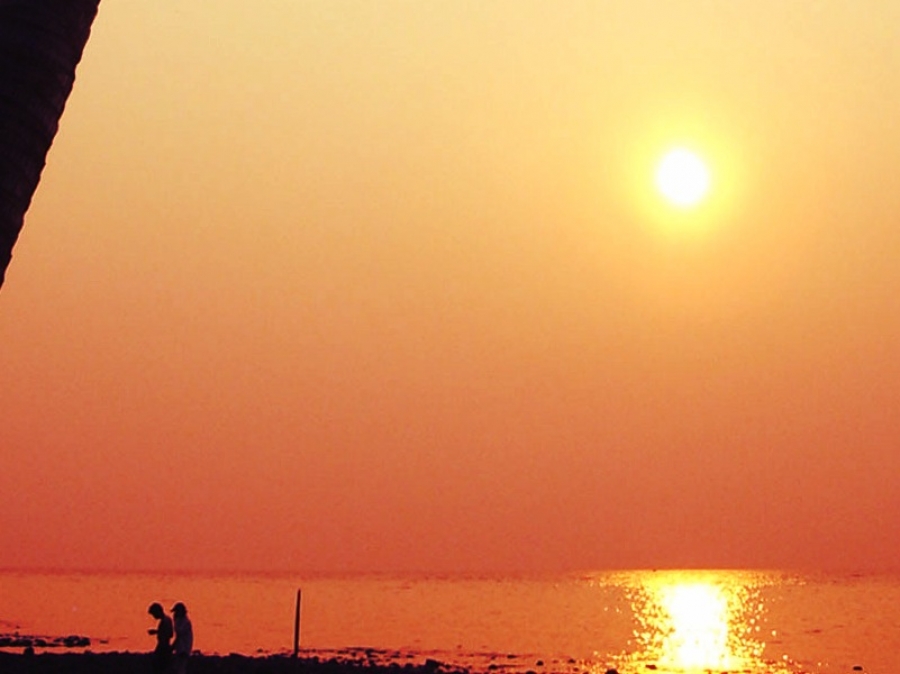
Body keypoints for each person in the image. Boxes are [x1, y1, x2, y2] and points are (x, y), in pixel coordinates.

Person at [147, 602, 173, 673]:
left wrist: (157, 632)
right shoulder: (168, 619)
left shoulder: (165, 621)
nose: (154, 616)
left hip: (163, 647)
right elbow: (169, 633)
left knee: (158, 667)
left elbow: (169, 634)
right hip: (164, 647)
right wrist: (157, 631)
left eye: (154, 614)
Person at [171, 602, 194, 674]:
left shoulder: (185, 622)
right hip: (180, 648)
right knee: (178, 667)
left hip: (184, 648)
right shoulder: (180, 621)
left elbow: (179, 633)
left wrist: (173, 646)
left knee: (181, 668)